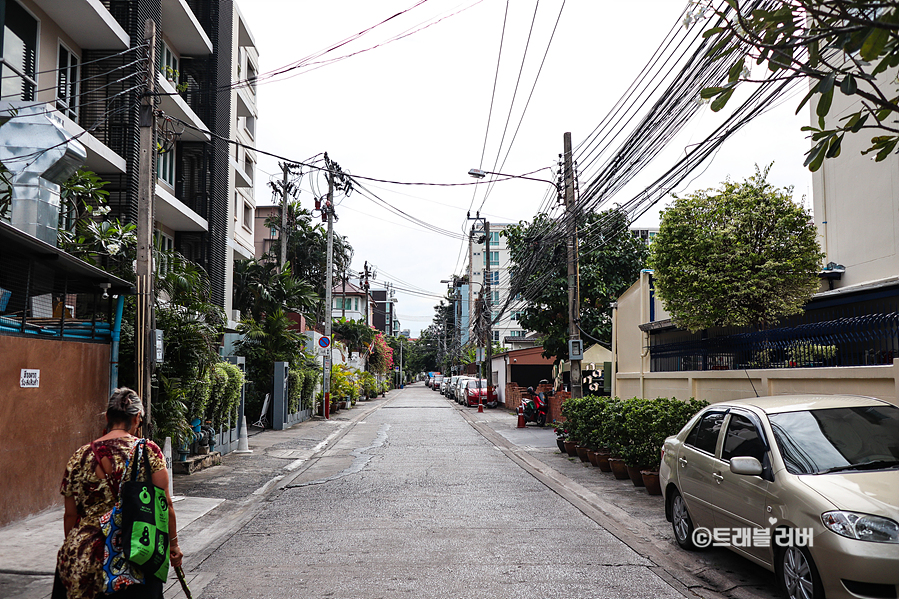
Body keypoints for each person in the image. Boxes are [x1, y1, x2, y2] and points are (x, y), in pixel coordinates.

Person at [54, 388, 183, 599]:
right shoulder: (148, 451)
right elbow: (165, 503)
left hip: (83, 557)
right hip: (135, 553)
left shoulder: (80, 455)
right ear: (137, 418)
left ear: (107, 417)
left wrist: (77, 545)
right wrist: (174, 545)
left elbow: (70, 514)